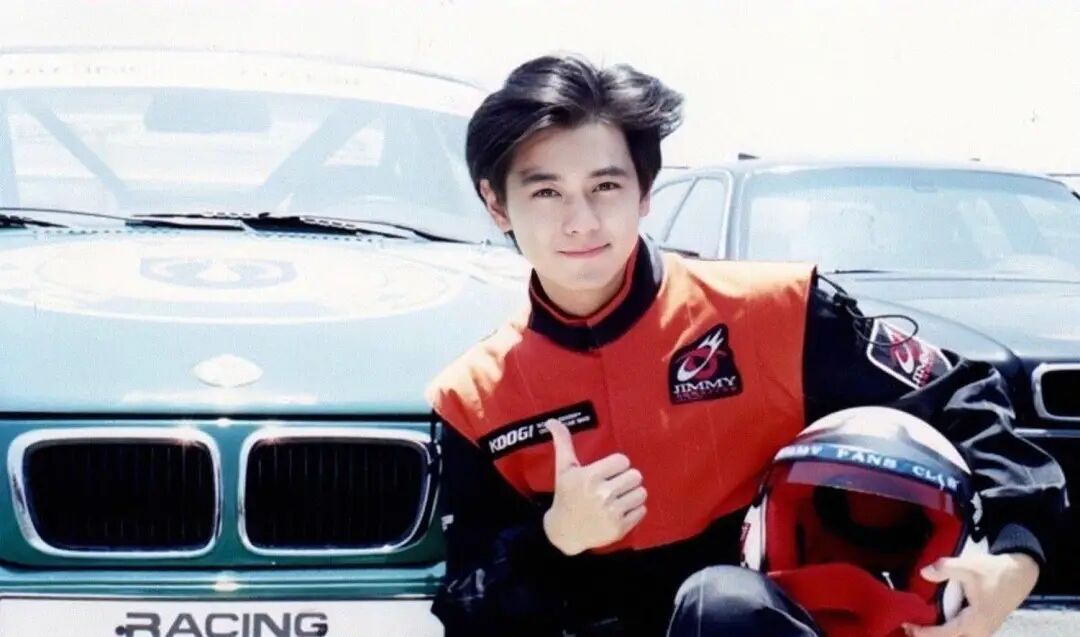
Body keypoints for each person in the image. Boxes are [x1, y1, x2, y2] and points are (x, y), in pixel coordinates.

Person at [425, 54, 1066, 637]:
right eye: (546, 192)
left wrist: (1015, 559)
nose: (581, 221)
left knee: (721, 603)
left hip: (756, 616)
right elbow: (467, 612)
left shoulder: (774, 312)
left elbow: (963, 396)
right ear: (496, 205)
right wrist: (555, 538)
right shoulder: (476, 397)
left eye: (606, 186)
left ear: (645, 193)